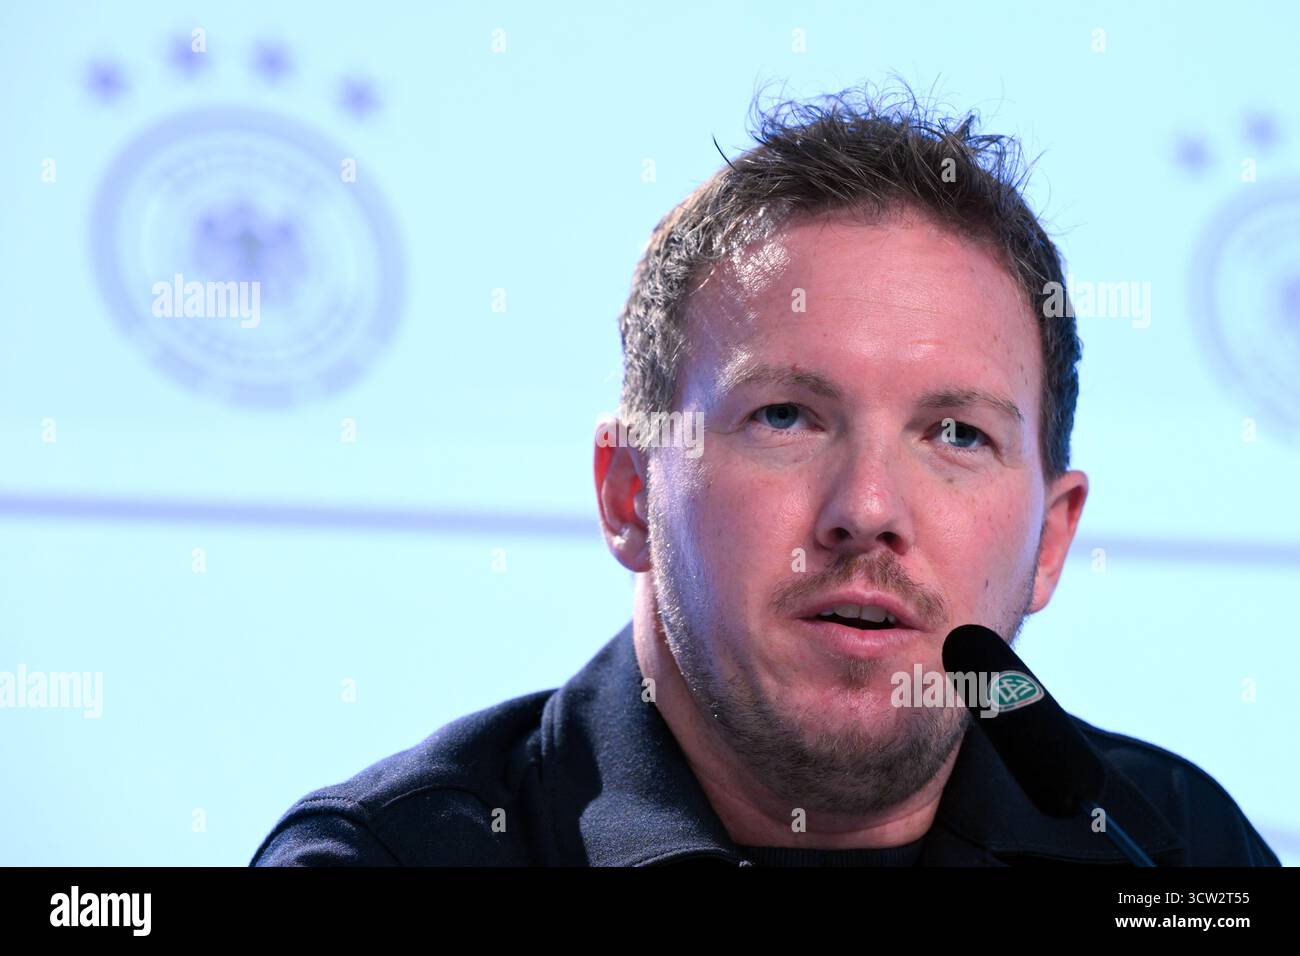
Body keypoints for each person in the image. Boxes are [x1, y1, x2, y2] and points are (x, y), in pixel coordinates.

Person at [252, 84, 1280, 866]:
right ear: (628, 492)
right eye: (785, 415)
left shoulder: (1171, 845)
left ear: (1049, 542)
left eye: (957, 434)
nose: (867, 511)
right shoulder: (394, 862)